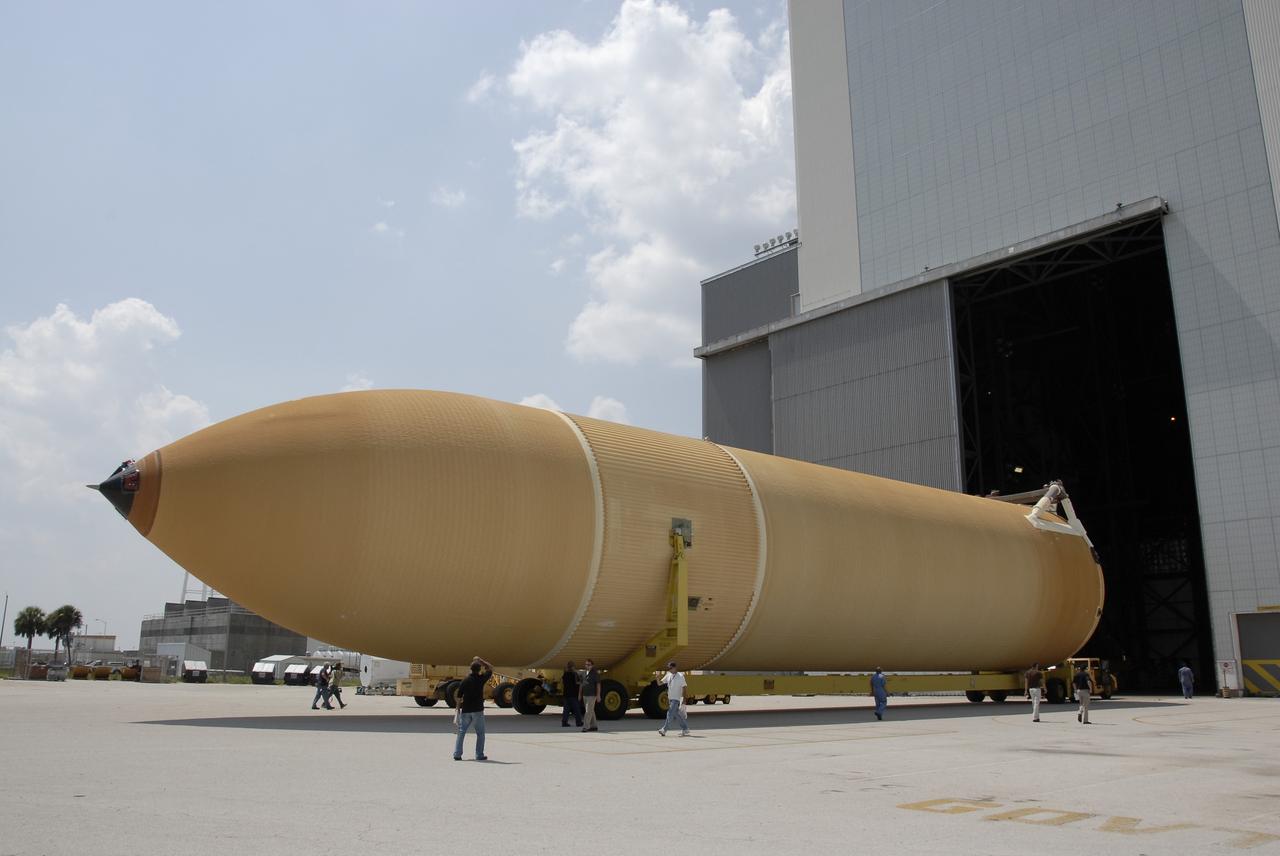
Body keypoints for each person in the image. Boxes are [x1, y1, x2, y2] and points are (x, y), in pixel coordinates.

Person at [454, 656, 493, 761]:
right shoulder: (481, 679)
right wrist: (481, 660)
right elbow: (490, 668)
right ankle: (479, 754)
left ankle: (457, 754)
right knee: (480, 734)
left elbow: (459, 696)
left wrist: (458, 709)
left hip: (466, 710)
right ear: (479, 670)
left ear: (470, 669)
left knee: (461, 732)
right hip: (478, 710)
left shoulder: (465, 681)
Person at [657, 661, 689, 737]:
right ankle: (685, 728)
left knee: (670, 713)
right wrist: (658, 678)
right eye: (668, 668)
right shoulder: (668, 675)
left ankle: (664, 730)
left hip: (676, 699)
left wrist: (684, 700)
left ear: (675, 668)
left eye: (670, 668)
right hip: (670, 699)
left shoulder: (680, 676)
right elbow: (660, 683)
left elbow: (684, 688)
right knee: (677, 715)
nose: (669, 670)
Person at [579, 659, 600, 732]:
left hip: (592, 695)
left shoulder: (595, 674)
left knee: (588, 711)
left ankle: (586, 727)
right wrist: (579, 694)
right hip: (585, 695)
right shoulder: (583, 673)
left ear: (592, 666)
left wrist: (598, 695)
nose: (587, 666)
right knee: (591, 710)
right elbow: (581, 684)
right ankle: (594, 726)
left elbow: (598, 685)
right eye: (586, 664)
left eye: (589, 665)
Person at [561, 661, 583, 728]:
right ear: (573, 667)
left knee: (566, 710)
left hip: (566, 694)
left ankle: (564, 722)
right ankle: (579, 722)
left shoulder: (565, 675)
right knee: (576, 709)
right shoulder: (575, 674)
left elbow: (563, 683)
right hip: (573, 695)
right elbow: (579, 683)